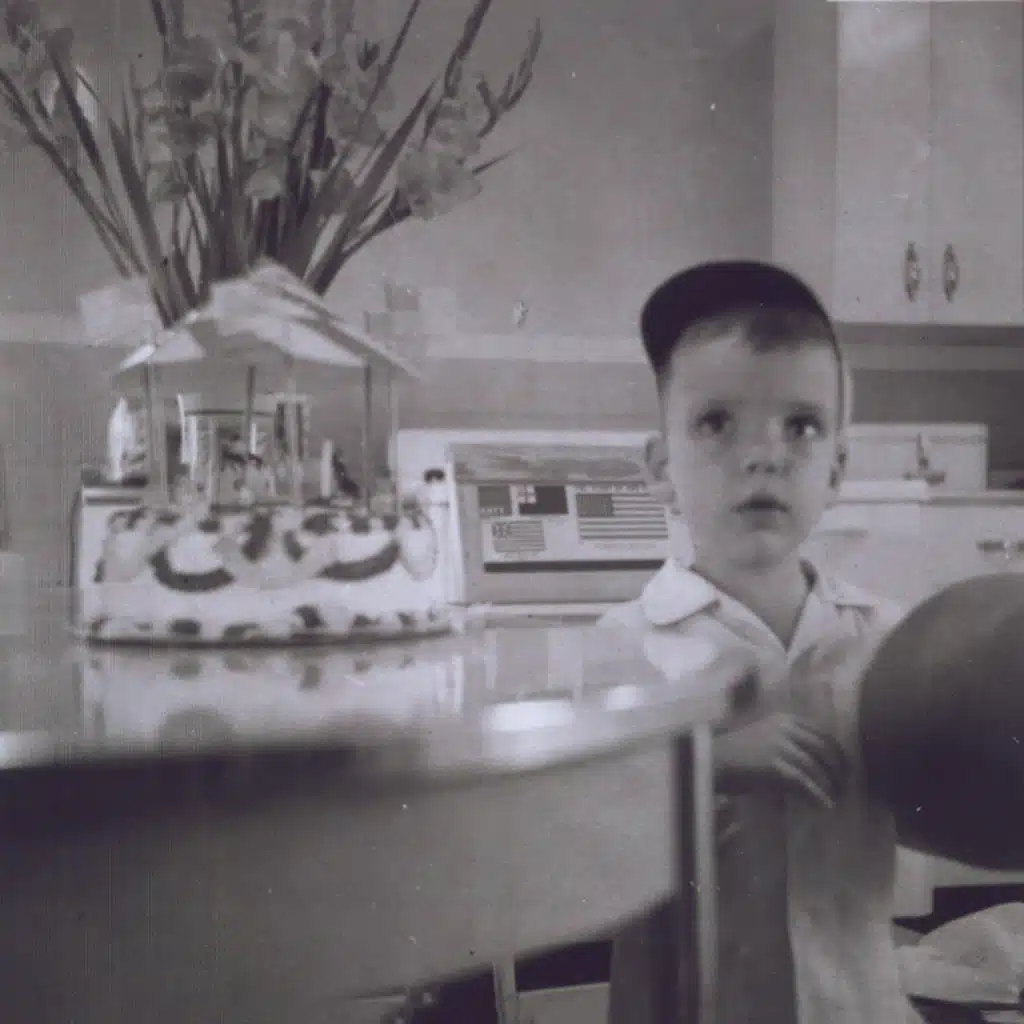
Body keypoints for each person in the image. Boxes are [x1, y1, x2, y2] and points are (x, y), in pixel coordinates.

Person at [600, 261, 919, 1023]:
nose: (765, 454)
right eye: (717, 423)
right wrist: (701, 762)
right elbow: (574, 830)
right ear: (661, 468)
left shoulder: (889, 639)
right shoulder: (625, 646)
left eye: (801, 426)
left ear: (837, 469)